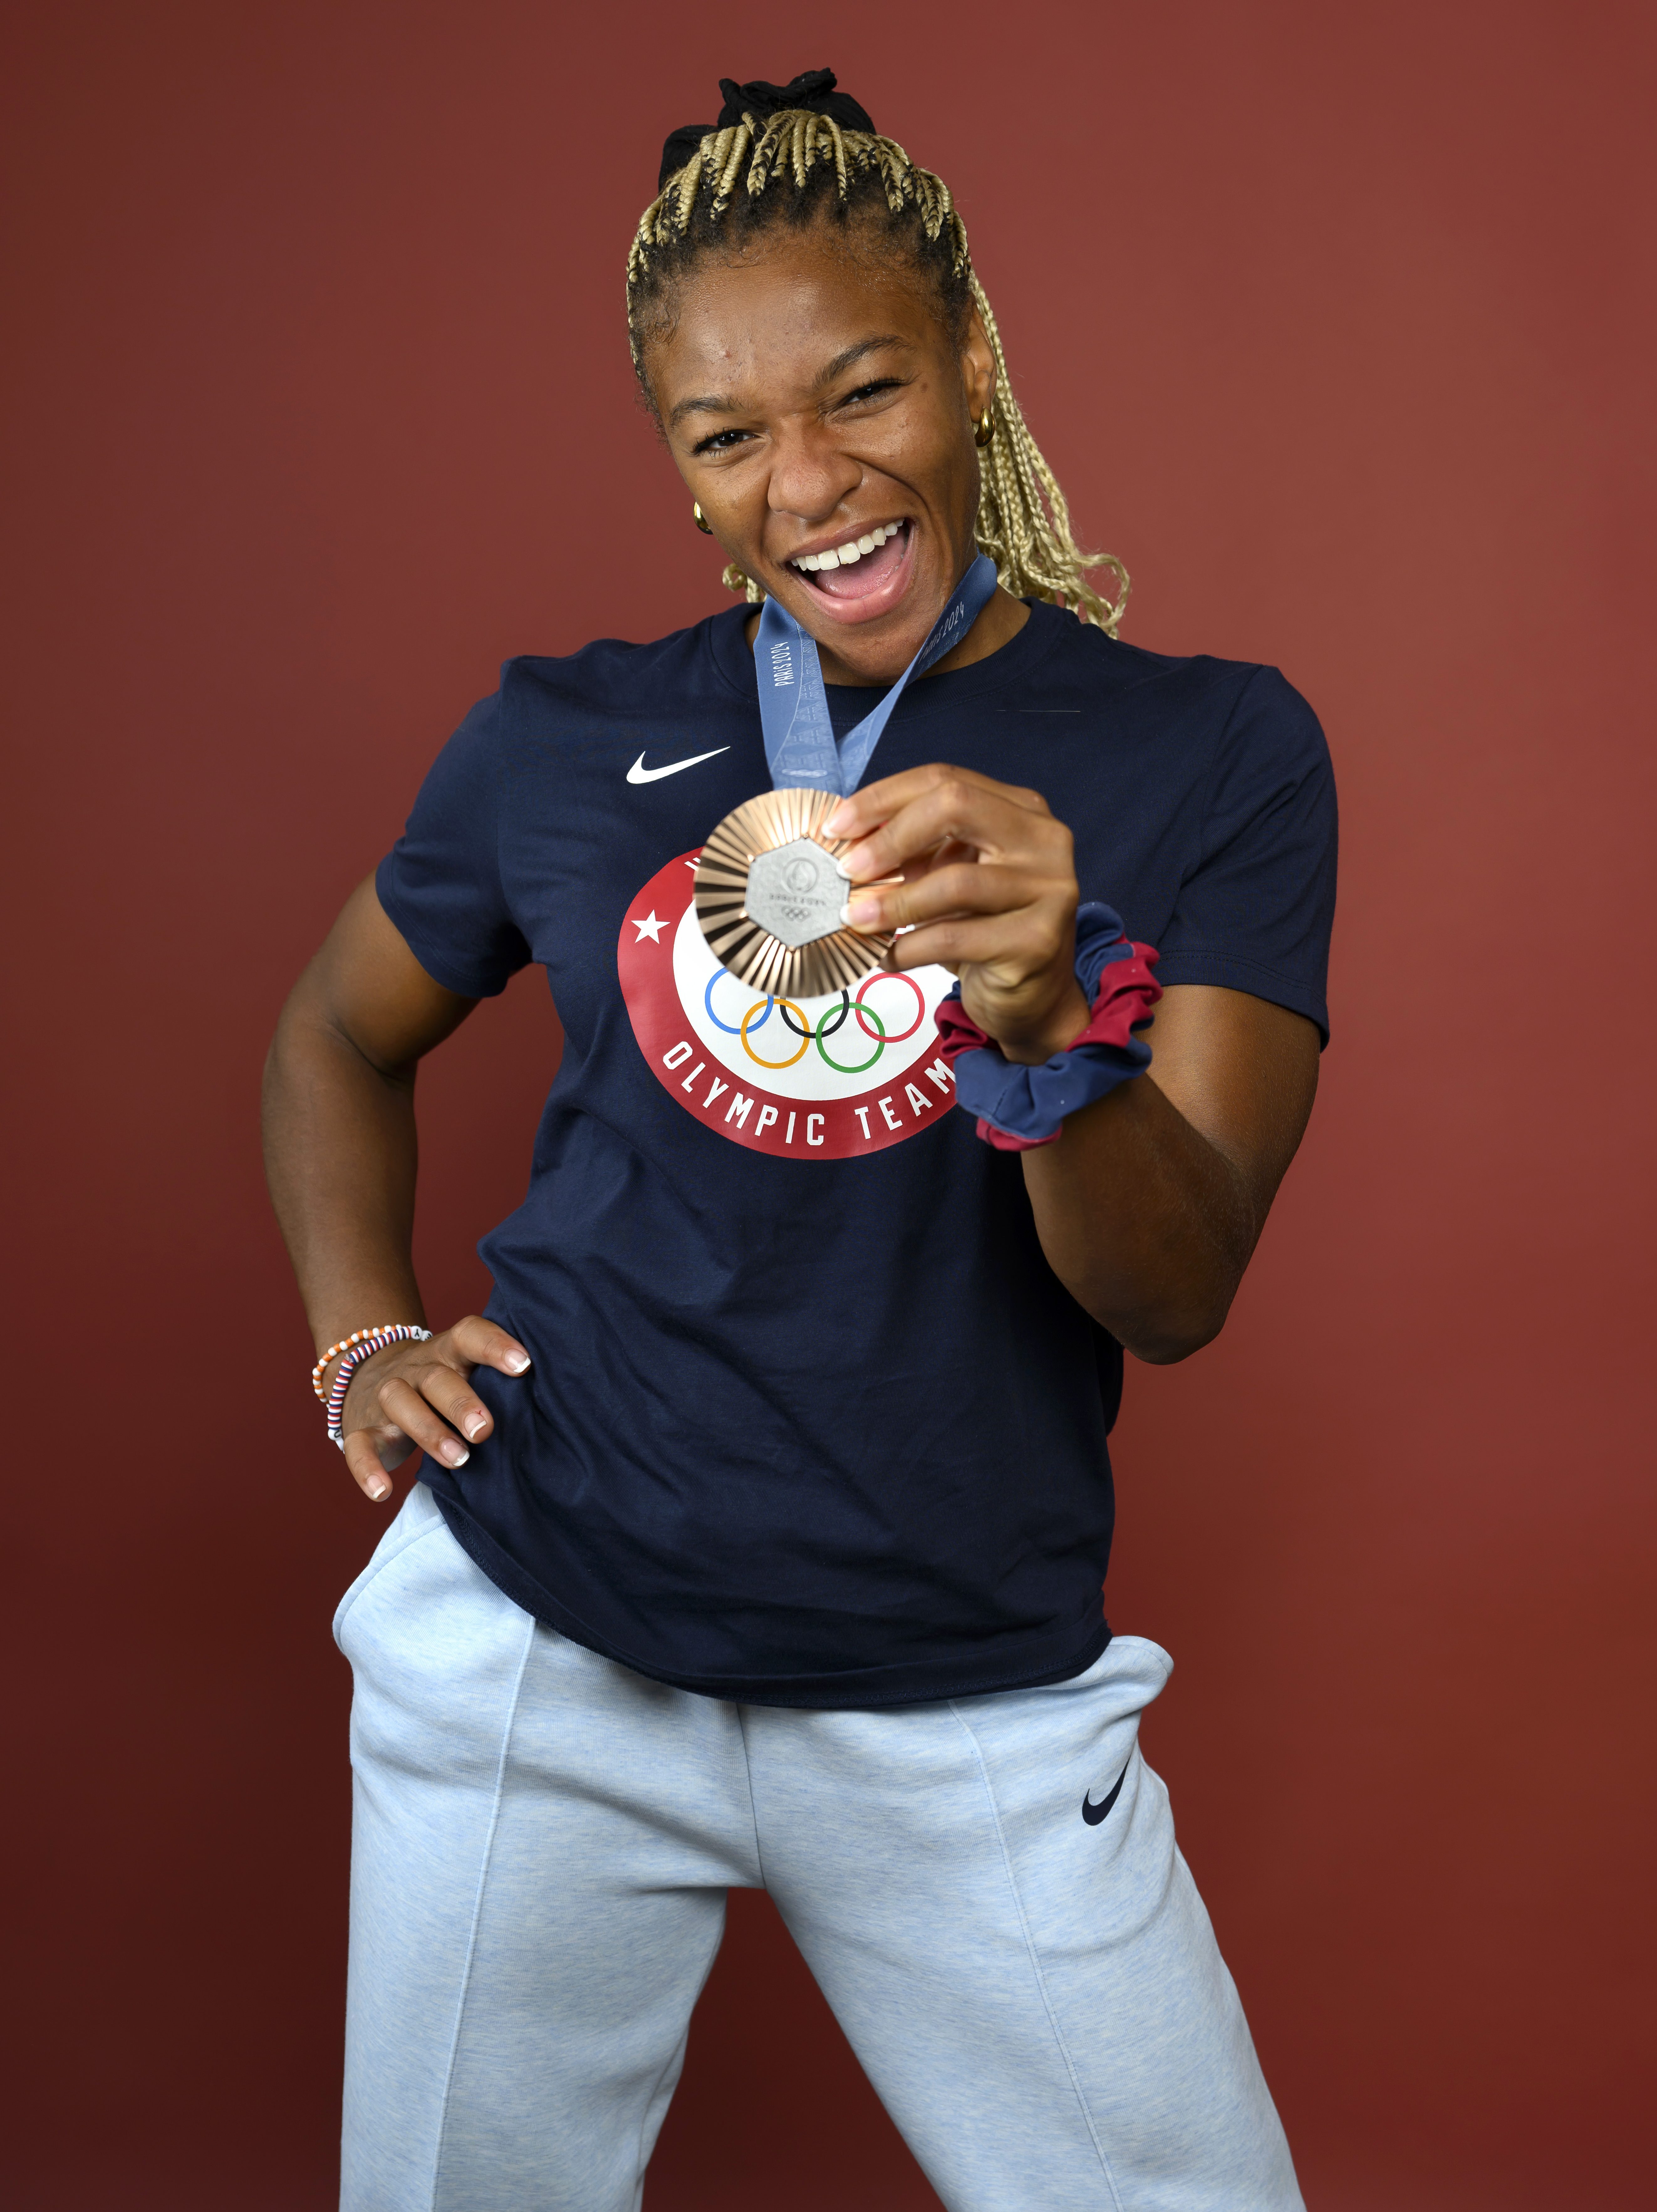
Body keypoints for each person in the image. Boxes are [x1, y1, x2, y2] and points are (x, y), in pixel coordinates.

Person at [264, 68, 1336, 2212]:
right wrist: (360, 1338)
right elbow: (330, 1036)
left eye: (864, 392)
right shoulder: (564, 729)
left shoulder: (1210, 747)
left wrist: (1048, 1020)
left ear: (973, 361)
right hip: (545, 1632)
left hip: (958, 1683)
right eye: (726, 435)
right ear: (680, 472)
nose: (812, 484)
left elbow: (1175, 1289)